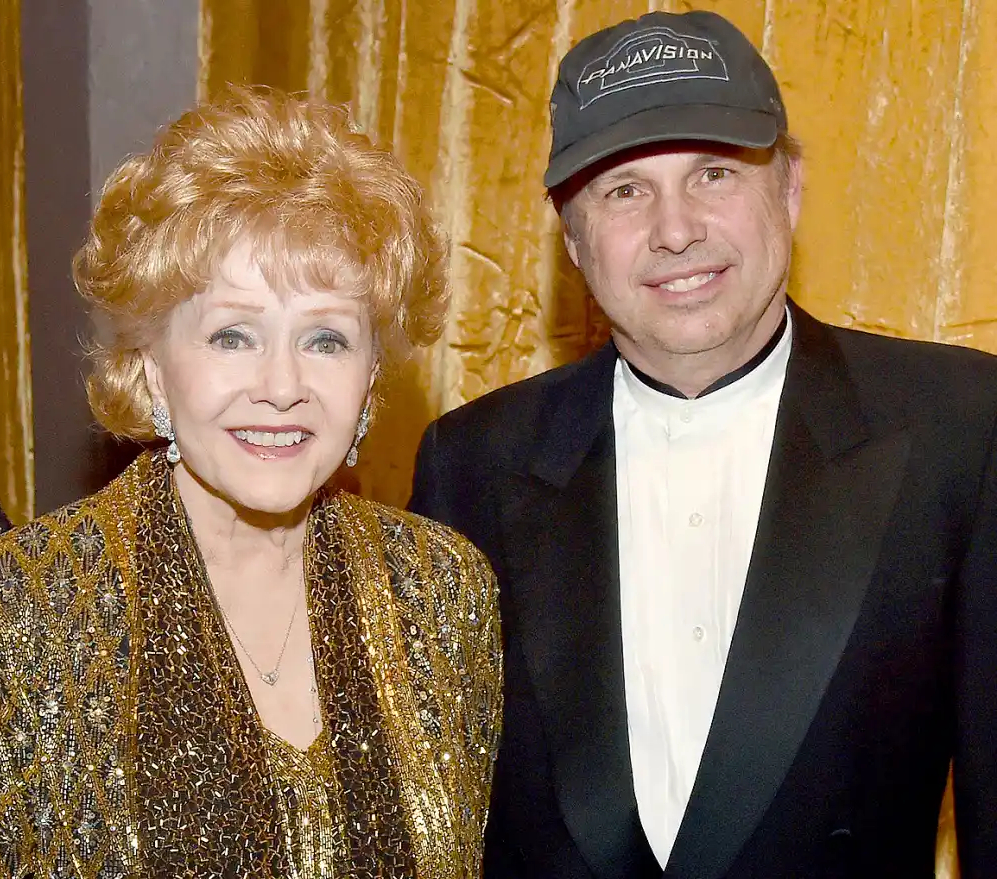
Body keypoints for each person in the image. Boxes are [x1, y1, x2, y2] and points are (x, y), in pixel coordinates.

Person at [409, 10, 997, 879]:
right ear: (571, 237)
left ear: (789, 189)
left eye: (713, 172)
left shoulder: (963, 424)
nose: (674, 229)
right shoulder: (469, 463)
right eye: (624, 190)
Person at [0, 86, 501, 876]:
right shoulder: (28, 605)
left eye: (326, 340)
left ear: (371, 375)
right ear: (151, 364)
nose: (281, 384)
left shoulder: (440, 589)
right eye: (233, 335)